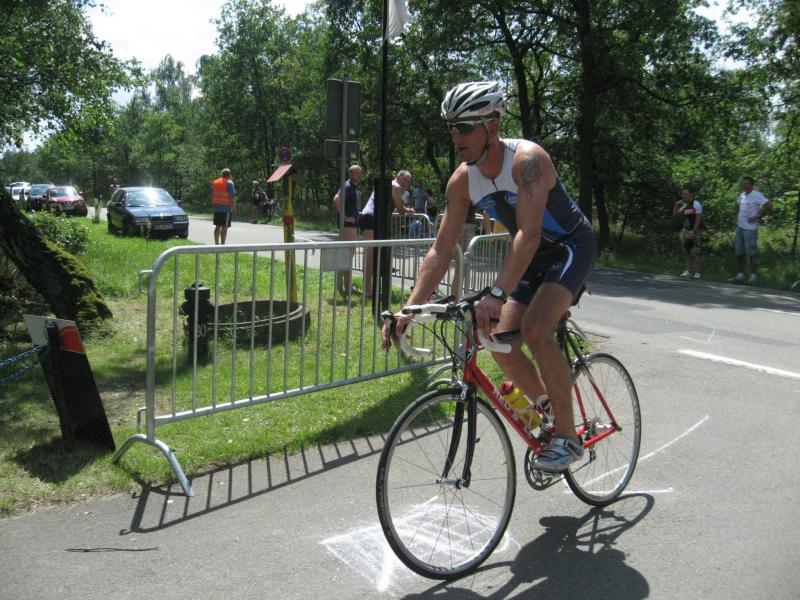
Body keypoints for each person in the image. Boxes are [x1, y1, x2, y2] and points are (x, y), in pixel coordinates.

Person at [383, 81, 597, 473]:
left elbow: (529, 234)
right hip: (532, 255)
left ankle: (568, 438)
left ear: (492, 126)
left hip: (570, 246)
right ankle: (550, 408)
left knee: (535, 329)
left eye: (465, 127)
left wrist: (496, 293)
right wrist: (409, 309)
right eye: (452, 128)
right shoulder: (462, 180)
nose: (456, 137)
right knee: (497, 340)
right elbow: (441, 249)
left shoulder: (527, 161)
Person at [333, 164, 364, 295]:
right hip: (348, 226)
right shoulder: (348, 186)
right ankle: (347, 288)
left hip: (352, 225)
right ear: (350, 174)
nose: (359, 175)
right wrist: (344, 217)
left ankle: (345, 286)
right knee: (348, 256)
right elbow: (336, 199)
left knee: (348, 255)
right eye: (356, 173)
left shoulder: (352, 187)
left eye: (360, 173)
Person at [733, 176, 770, 284]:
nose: (745, 185)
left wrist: (757, 216)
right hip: (740, 227)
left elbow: (768, 205)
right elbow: (737, 206)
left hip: (750, 229)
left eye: (747, 183)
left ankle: (753, 276)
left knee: (751, 253)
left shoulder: (756, 194)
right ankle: (740, 275)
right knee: (740, 252)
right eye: (744, 183)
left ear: (752, 185)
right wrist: (737, 217)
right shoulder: (742, 195)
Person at [672, 186, 703, 279]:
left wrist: (693, 231)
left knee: (696, 252)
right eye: (683, 194)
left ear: (691, 194)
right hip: (685, 231)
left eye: (686, 194)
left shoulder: (696, 204)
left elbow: (698, 219)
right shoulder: (683, 205)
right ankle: (687, 271)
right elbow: (675, 215)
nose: (684, 196)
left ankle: (697, 273)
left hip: (694, 231)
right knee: (686, 251)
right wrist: (676, 205)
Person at [211, 168, 237, 245]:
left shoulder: (215, 182)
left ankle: (216, 243)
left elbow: (212, 195)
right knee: (224, 227)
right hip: (226, 209)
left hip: (216, 208)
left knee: (217, 226)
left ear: (222, 174)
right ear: (229, 175)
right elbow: (232, 197)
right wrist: (234, 208)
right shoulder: (230, 183)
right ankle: (223, 245)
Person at [358, 190, 376, 297]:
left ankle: (369, 288)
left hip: (369, 217)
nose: (406, 183)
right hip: (370, 218)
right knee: (369, 256)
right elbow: (400, 208)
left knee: (371, 256)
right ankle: (367, 290)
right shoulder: (395, 187)